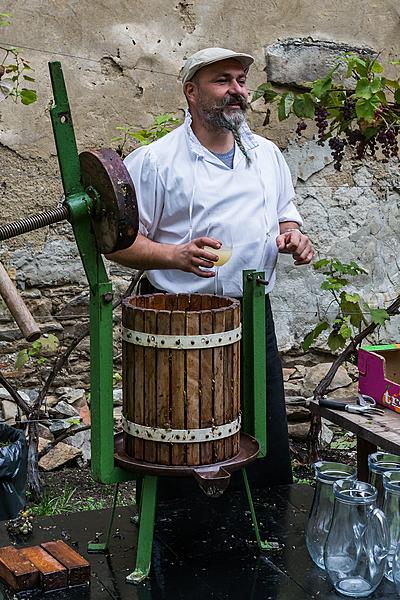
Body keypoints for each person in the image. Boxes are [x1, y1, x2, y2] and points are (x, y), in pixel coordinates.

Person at [108, 47, 314, 490]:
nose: (236, 90)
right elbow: (118, 244)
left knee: (265, 430)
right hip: (179, 318)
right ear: (191, 92)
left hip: (255, 311)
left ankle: (267, 526)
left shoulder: (266, 154)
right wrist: (176, 255)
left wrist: (293, 235)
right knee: (186, 436)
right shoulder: (155, 162)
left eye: (240, 80)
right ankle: (183, 532)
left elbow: (285, 211)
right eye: (222, 81)